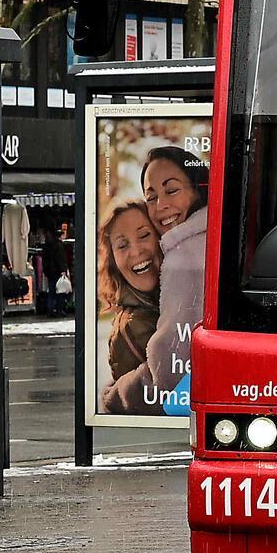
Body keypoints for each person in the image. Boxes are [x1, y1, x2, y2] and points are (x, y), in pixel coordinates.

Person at [101, 146, 206, 415]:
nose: (161, 206)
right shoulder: (214, 237)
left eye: (171, 191)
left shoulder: (183, 258)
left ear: (198, 188)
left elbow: (168, 373)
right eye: (151, 197)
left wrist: (117, 395)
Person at [96, 202, 162, 385]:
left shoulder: (180, 298)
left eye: (144, 235)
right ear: (113, 262)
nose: (136, 251)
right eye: (122, 245)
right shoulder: (129, 330)